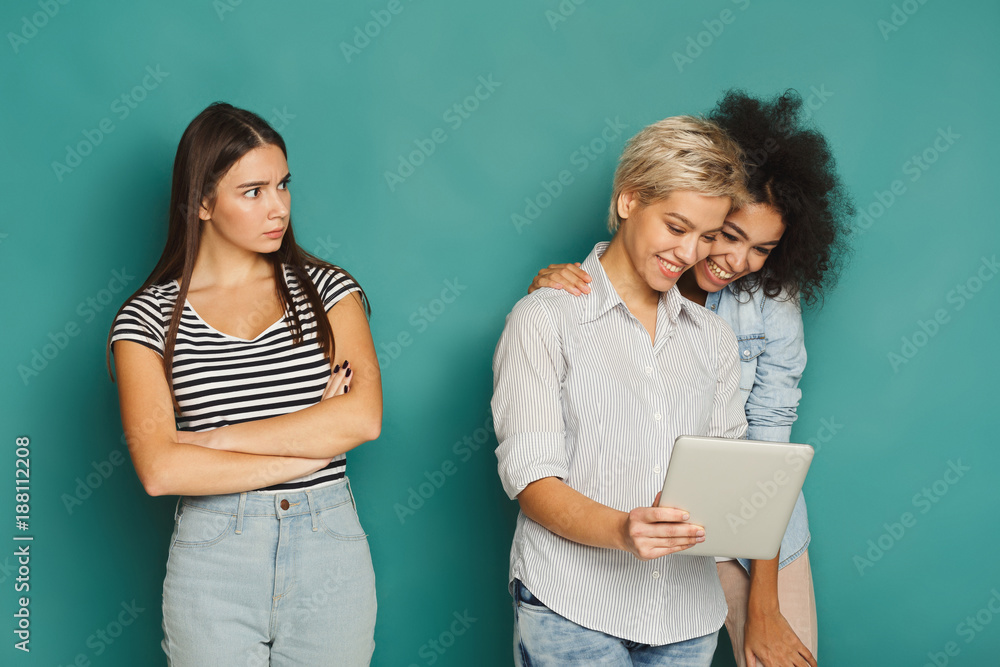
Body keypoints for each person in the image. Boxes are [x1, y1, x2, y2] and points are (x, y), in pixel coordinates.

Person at [528, 90, 852, 667]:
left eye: (764, 249)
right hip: (657, 524)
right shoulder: (637, 268)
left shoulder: (769, 306)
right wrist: (549, 289)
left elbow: (767, 454)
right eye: (728, 236)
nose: (738, 261)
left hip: (759, 515)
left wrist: (764, 606)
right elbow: (592, 300)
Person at [106, 102, 382, 666]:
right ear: (203, 202)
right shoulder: (146, 320)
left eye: (283, 185)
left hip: (329, 546)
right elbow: (160, 471)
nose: (278, 207)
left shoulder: (330, 291)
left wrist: (206, 439)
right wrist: (305, 452)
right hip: (213, 555)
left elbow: (361, 419)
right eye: (252, 191)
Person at [492, 115, 750, 665]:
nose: (689, 253)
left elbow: (729, 475)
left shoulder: (715, 340)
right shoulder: (545, 319)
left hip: (688, 615)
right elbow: (532, 479)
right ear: (630, 199)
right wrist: (622, 529)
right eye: (676, 227)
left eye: (707, 237)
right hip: (572, 605)